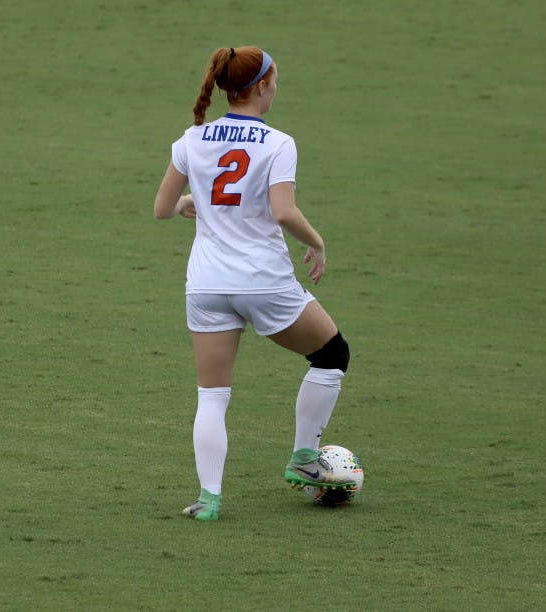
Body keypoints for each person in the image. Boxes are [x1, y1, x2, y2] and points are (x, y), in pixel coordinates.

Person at [153, 46, 353, 522]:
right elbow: (283, 212)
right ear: (261, 86)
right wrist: (318, 242)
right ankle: (305, 458)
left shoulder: (193, 138)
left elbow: (163, 207)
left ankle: (209, 499)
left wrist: (188, 203)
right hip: (263, 283)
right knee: (331, 354)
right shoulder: (278, 143)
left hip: (205, 285)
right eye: (275, 80)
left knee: (212, 396)